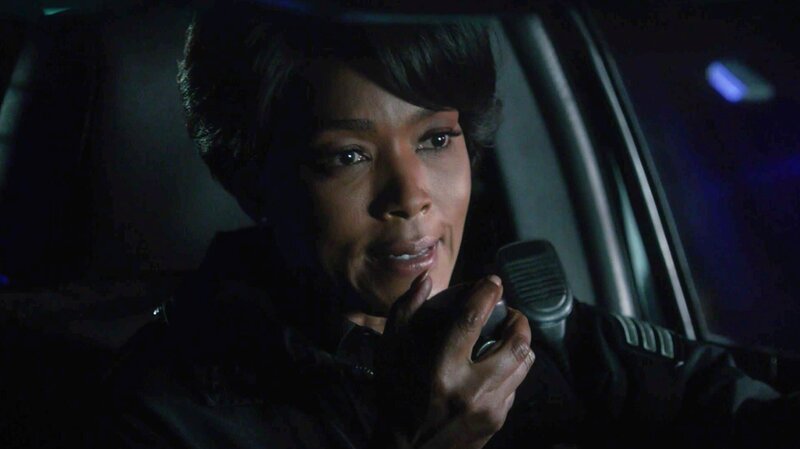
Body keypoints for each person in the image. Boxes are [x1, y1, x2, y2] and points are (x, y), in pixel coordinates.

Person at [104, 2, 798, 448]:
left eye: (436, 139)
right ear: (254, 179)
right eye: (347, 156)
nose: (410, 197)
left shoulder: (525, 333)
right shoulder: (167, 411)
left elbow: (731, 400)